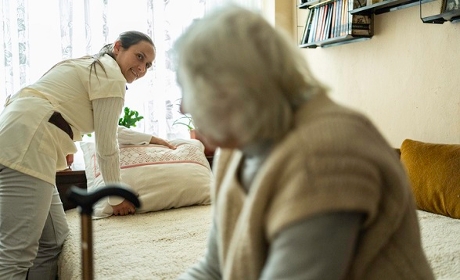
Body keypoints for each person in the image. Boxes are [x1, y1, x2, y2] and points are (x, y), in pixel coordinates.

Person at [173, 5, 435, 280]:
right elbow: (214, 269)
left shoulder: (325, 155)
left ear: (230, 92)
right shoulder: (237, 147)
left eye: (188, 89)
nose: (182, 107)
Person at [0, 30, 174, 279]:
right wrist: (116, 197)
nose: (142, 68)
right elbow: (106, 145)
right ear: (117, 48)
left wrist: (151, 139)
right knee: (16, 254)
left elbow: (107, 126)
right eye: (138, 57)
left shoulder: (94, 67)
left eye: (148, 64)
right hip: (30, 141)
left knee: (54, 241)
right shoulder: (110, 75)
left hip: (25, 135)